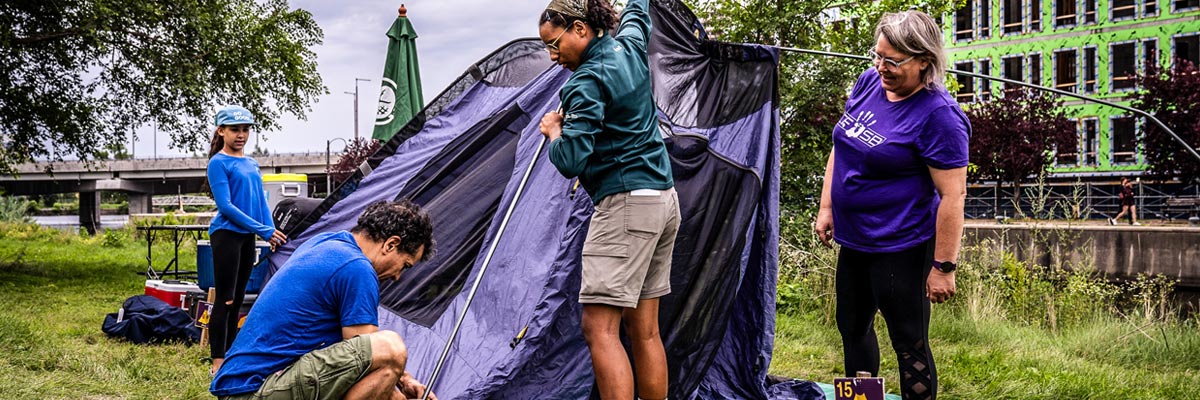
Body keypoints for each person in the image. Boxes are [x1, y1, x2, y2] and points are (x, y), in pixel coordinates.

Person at [812, 11, 969, 400]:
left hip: (901, 246)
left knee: (909, 341)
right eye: (877, 56)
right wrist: (827, 206)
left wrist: (944, 267)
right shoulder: (869, 82)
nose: (881, 67)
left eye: (892, 61)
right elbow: (842, 144)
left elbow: (953, 196)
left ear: (923, 61)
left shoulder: (940, 117)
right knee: (852, 327)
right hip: (856, 240)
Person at [537, 0, 681, 398]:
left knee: (599, 328)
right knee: (645, 329)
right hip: (663, 202)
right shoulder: (630, 47)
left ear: (580, 29)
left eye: (555, 43)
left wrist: (553, 131)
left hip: (625, 208)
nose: (553, 55)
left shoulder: (585, 82)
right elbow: (638, 11)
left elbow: (570, 159)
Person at [210, 200, 438, 400]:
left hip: (241, 386)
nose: (398, 276)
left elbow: (373, 366)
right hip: (256, 389)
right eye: (405, 265)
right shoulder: (357, 268)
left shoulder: (326, 242)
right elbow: (377, 357)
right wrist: (406, 381)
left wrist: (402, 382)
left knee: (386, 371)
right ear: (390, 245)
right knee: (391, 346)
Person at [206, 105, 288, 374]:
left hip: (246, 237)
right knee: (225, 299)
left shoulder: (251, 162)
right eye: (235, 130)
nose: (241, 135)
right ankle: (218, 360)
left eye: (245, 129)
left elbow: (260, 203)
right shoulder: (218, 163)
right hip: (226, 235)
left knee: (239, 298)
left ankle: (231, 354)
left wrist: (271, 230)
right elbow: (226, 206)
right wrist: (263, 231)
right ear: (222, 131)